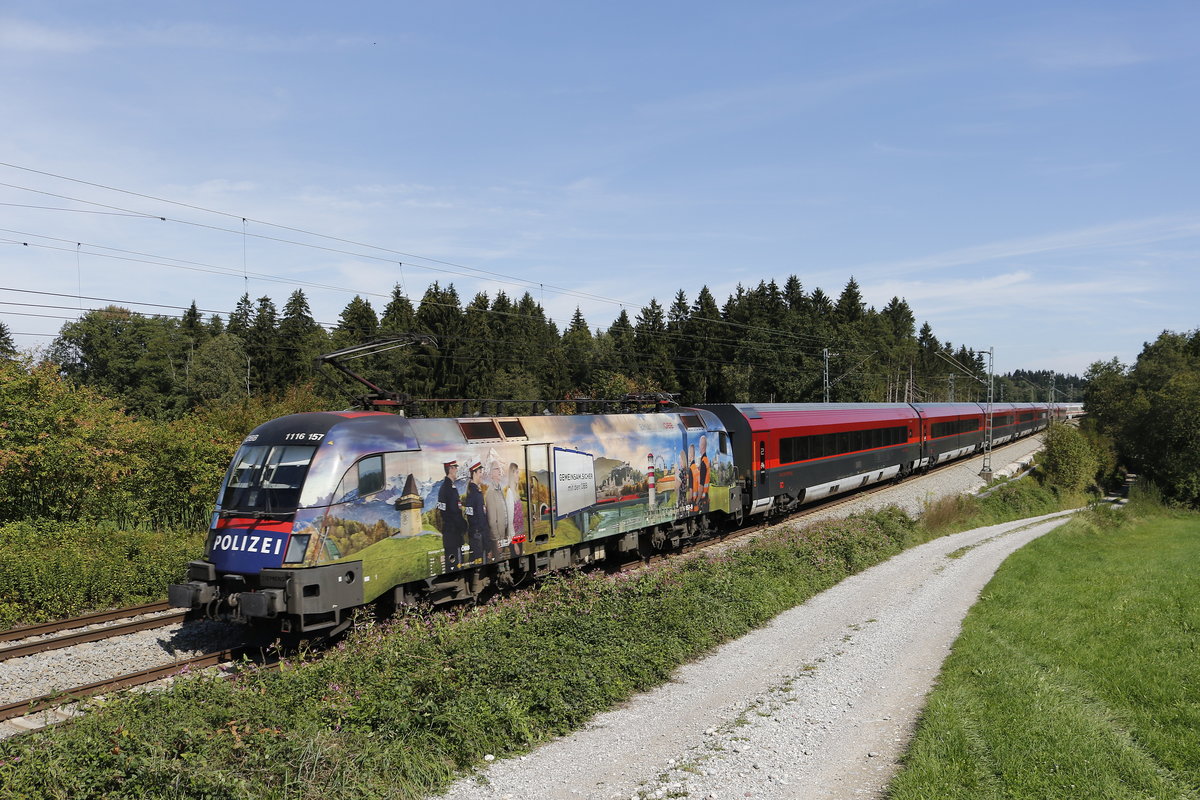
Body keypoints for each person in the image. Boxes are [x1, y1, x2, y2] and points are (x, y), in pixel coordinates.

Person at [436, 460, 467, 569]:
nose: (457, 470)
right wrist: (464, 526)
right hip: (454, 535)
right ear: (451, 469)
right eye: (455, 467)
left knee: (451, 567)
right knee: (458, 567)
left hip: (448, 536)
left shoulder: (443, 488)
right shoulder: (450, 489)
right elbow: (455, 513)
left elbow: (444, 513)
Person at [464, 460, 491, 563]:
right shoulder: (476, 494)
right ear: (474, 473)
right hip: (480, 540)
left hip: (474, 538)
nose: (481, 475)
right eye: (480, 473)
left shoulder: (470, 492)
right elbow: (481, 522)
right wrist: (488, 547)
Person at [484, 460, 508, 560]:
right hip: (498, 539)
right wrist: (498, 540)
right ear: (491, 474)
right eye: (496, 469)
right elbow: (492, 521)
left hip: (503, 536)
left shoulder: (500, 489)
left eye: (499, 468)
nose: (499, 471)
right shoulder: (491, 492)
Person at [505, 462, 525, 556]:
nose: (518, 475)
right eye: (516, 472)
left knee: (520, 557)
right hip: (515, 536)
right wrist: (515, 543)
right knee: (516, 557)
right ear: (512, 474)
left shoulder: (515, 492)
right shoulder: (510, 493)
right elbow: (510, 520)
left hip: (520, 533)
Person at [698, 434, 711, 512]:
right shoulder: (707, 461)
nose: (699, 446)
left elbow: (701, 485)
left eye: (699, 444)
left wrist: (697, 501)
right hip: (706, 496)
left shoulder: (703, 463)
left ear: (702, 446)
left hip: (703, 499)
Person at [689, 444, 700, 512]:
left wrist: (689, 499)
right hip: (697, 499)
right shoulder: (696, 468)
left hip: (693, 501)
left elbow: (691, 486)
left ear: (690, 455)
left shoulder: (691, 469)